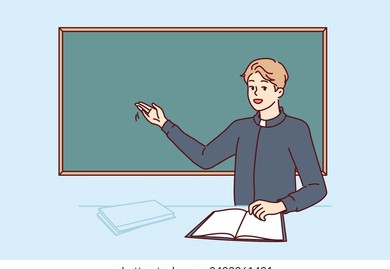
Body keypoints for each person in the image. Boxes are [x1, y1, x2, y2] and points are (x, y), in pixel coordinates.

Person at [135, 58, 327, 221]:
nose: (256, 93)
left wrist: (280, 206)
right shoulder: (241, 128)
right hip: (241, 220)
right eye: (252, 87)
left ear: (279, 92)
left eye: (263, 87)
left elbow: (317, 188)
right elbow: (205, 158)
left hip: (282, 221)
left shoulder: (296, 129)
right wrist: (164, 124)